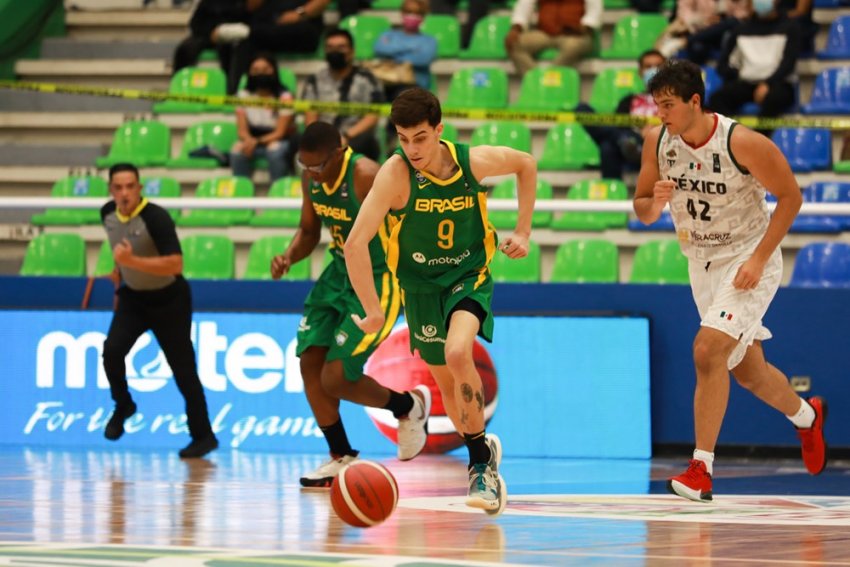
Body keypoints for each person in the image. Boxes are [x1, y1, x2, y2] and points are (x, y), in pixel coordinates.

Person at [633, 59, 827, 502]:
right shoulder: (657, 142)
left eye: (667, 105)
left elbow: (791, 197)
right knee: (748, 372)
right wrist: (654, 202)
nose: (660, 113)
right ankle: (806, 417)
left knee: (706, 350)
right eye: (656, 105)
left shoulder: (741, 142)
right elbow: (642, 211)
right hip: (700, 262)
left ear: (694, 101)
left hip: (748, 257)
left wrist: (759, 259)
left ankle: (701, 468)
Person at [344, 87, 537, 515]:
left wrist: (522, 231)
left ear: (439, 131)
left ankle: (480, 469)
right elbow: (355, 243)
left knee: (457, 351)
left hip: (468, 276)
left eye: (420, 138)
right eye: (403, 138)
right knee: (447, 383)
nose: (412, 149)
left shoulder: (472, 161)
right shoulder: (395, 175)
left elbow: (526, 163)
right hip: (420, 289)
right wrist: (374, 310)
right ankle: (480, 446)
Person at [271, 122, 431, 487]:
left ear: (340, 153)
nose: (311, 174)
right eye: (304, 167)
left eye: (318, 167)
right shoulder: (311, 177)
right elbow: (309, 231)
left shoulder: (366, 175)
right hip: (338, 274)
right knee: (310, 362)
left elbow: (412, 221)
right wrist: (288, 256)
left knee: (337, 376)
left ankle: (408, 407)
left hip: (377, 279)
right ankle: (340, 456)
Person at [100, 163, 218, 459]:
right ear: (111, 190)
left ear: (140, 188)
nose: (125, 193)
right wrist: (119, 268)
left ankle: (203, 436)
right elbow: (122, 246)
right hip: (133, 299)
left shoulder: (157, 217)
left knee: (183, 369)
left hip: (169, 300)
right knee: (112, 351)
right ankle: (123, 404)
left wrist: (131, 261)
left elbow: (175, 264)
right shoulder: (107, 214)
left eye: (130, 186)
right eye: (119, 187)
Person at [302, 29, 385, 161]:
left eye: (341, 47)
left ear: (351, 52)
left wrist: (346, 136)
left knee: (366, 142)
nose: (335, 52)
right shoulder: (314, 80)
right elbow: (310, 115)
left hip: (355, 137)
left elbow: (372, 116)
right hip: (323, 138)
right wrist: (322, 140)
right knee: (299, 141)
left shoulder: (368, 79)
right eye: (330, 47)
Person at [709, 0, 799, 119]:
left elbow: (788, 64)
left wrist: (768, 84)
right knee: (717, 98)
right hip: (747, 83)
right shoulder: (740, 30)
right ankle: (734, 134)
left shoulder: (790, 28)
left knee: (775, 99)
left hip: (777, 84)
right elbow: (723, 65)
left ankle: (759, 136)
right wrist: (740, 74)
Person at [585, 49, 665, 180]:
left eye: (658, 66)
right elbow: (619, 125)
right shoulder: (628, 100)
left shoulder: (674, 99)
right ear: (640, 72)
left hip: (661, 144)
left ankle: (625, 141)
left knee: (608, 145)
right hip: (632, 145)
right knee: (583, 110)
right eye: (648, 67)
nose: (653, 70)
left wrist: (655, 131)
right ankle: (626, 141)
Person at [228, 0, 331, 93]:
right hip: (266, 26)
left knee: (252, 33)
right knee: (244, 42)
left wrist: (299, 14)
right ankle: (236, 93)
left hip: (302, 25)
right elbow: (250, 7)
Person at [230, 52, 296, 182]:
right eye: (256, 70)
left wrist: (257, 142)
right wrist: (249, 141)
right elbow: (241, 130)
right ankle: (242, 192)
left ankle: (277, 191)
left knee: (275, 152)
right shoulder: (243, 95)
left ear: (274, 71)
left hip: (277, 139)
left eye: (266, 70)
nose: (261, 74)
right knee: (237, 150)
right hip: (252, 138)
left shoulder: (285, 97)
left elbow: (280, 132)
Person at [505, 0, 601, 76]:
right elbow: (524, 5)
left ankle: (550, 81)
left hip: (575, 34)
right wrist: (516, 28)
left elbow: (595, 9)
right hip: (546, 32)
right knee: (514, 43)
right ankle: (537, 81)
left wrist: (586, 26)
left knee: (573, 46)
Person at [372, 0, 438, 98]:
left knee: (403, 95)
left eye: (417, 13)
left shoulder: (429, 41)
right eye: (409, 12)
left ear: (423, 17)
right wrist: (411, 49)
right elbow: (379, 49)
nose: (412, 16)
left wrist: (393, 56)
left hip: (415, 86)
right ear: (402, 13)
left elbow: (423, 59)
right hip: (386, 81)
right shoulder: (389, 34)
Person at [172, 0, 253, 77]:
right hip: (207, 36)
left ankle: (230, 86)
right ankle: (179, 82)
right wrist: (211, 33)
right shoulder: (208, 2)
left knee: (230, 49)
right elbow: (195, 23)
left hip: (232, 37)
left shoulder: (242, 3)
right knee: (184, 48)